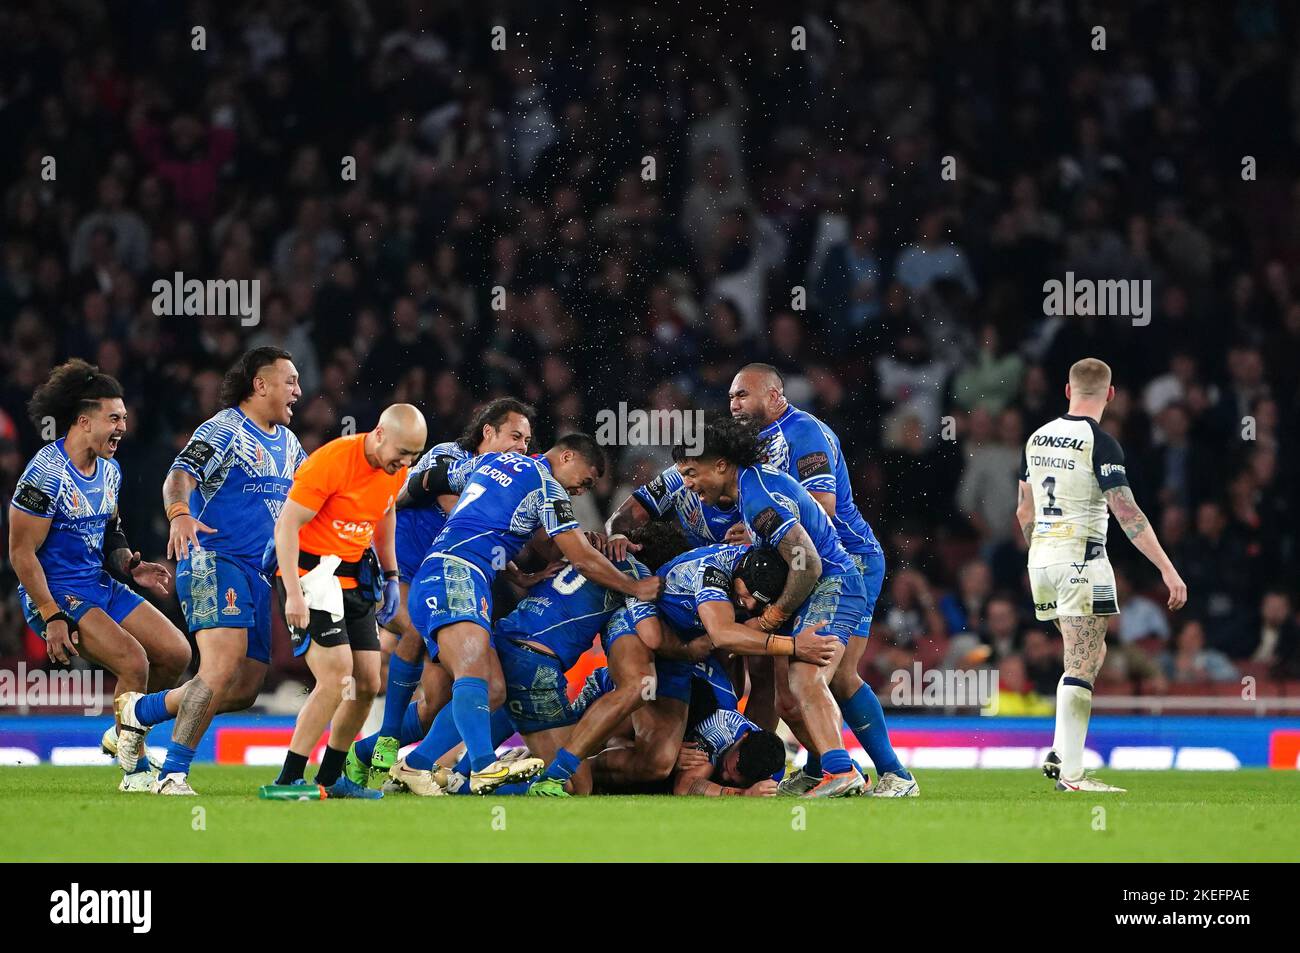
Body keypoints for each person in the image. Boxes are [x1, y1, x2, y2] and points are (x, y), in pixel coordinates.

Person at [397, 434, 664, 794]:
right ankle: (479, 771)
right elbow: (583, 559)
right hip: (461, 577)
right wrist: (634, 589)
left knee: (484, 691)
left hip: (443, 574)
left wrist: (395, 502)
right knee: (572, 785)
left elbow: (431, 480)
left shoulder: (494, 461)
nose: (581, 491)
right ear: (567, 456)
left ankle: (399, 758)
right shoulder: (548, 487)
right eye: (584, 481)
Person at [116, 347, 306, 795]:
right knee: (219, 668)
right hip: (213, 560)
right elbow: (178, 475)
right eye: (290, 381)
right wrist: (179, 512)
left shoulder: (291, 446)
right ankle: (173, 774)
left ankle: (139, 713)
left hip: (259, 575)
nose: (298, 390)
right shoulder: (223, 429)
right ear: (260, 385)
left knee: (242, 689)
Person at [730, 362, 915, 796]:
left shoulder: (804, 432)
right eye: (732, 396)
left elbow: (823, 505)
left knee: (834, 675)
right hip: (812, 566)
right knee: (820, 676)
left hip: (849, 561)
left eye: (744, 395)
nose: (735, 403)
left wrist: (759, 529)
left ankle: (892, 774)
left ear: (775, 396)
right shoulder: (759, 440)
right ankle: (822, 767)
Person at [9, 359, 190, 791]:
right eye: (114, 418)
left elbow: (110, 530)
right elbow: (21, 553)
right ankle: (135, 769)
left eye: (124, 418)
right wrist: (52, 616)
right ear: (83, 421)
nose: (122, 426)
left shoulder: (110, 470)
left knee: (177, 654)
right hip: (56, 592)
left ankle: (123, 733)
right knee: (133, 661)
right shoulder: (44, 475)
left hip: (98, 584)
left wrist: (130, 565)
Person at [1017, 358, 1187, 793]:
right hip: (1082, 559)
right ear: (1109, 395)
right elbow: (1127, 514)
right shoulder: (1101, 442)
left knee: (1088, 655)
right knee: (1083, 660)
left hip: (1042, 560)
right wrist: (1167, 569)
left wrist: (1040, 549)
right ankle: (1071, 774)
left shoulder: (1036, 438)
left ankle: (1060, 752)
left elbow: (1024, 510)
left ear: (1067, 389)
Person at [674, 416, 867, 796]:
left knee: (806, 678)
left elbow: (807, 562)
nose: (689, 484)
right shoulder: (750, 488)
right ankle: (837, 770)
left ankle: (843, 773)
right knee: (790, 699)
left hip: (833, 582)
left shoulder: (758, 496)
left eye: (692, 473)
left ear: (721, 465)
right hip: (821, 586)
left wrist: (773, 616)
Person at [368, 397, 536, 777]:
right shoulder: (448, 455)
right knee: (415, 626)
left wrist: (515, 572)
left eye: (527, 441)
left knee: (443, 700)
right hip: (394, 573)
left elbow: (481, 537)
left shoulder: (500, 478)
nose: (522, 447)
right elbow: (460, 512)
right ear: (487, 431)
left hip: (443, 582)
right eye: (515, 435)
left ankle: (366, 757)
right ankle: (392, 737)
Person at [268, 404, 427, 798]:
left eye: (413, 456)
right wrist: (292, 592)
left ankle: (330, 779)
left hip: (354, 578)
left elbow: (385, 514)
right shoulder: (333, 461)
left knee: (368, 682)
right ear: (378, 434)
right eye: (402, 453)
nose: (405, 463)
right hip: (311, 575)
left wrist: (391, 575)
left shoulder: (396, 471)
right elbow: (286, 525)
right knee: (337, 676)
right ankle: (288, 779)